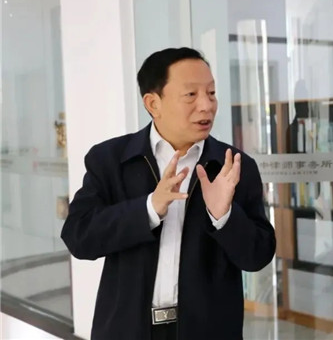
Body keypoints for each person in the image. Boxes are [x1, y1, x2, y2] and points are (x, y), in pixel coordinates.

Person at [61, 47, 276, 340]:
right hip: (127, 331)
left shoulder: (233, 166)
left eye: (211, 93)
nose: (206, 105)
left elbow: (257, 257)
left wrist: (224, 216)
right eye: (191, 95)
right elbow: (79, 237)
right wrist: (150, 208)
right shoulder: (110, 159)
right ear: (153, 103)